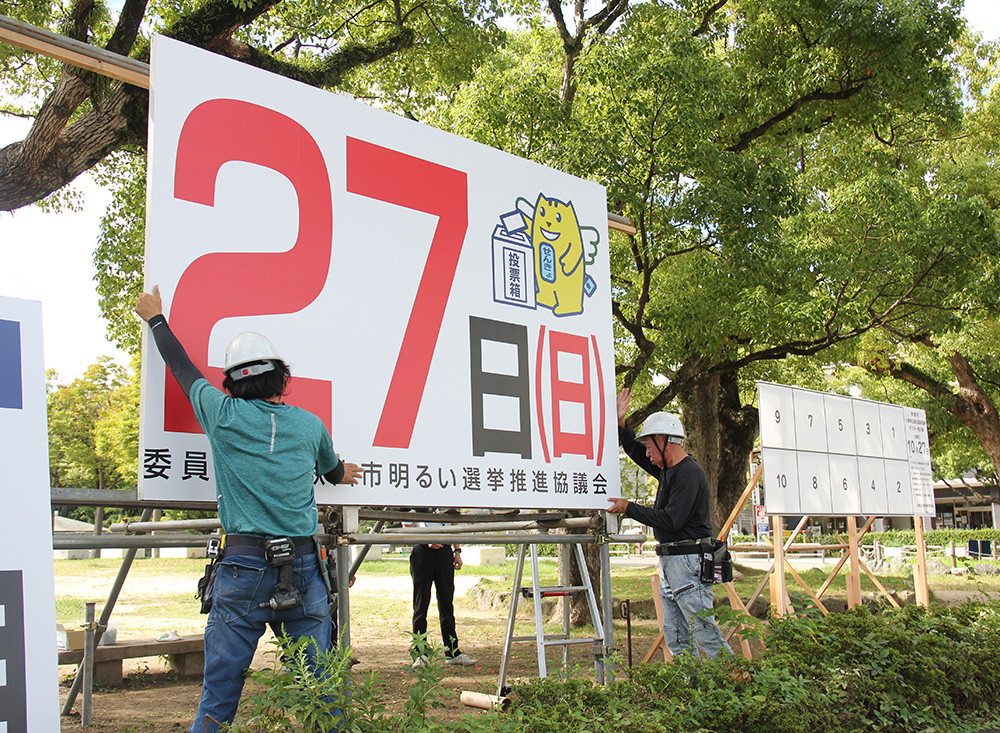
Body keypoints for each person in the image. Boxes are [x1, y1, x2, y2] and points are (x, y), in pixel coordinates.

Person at [135, 286, 362, 733]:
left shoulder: (222, 414)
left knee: (219, 698)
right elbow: (333, 473)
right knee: (321, 692)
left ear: (234, 384)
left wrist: (156, 318)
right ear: (281, 379)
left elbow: (181, 367)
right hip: (301, 566)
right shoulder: (310, 425)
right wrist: (344, 472)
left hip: (241, 568)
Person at [607, 387, 732, 660]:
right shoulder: (667, 468)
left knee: (704, 631)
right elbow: (633, 449)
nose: (648, 454)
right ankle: (692, 688)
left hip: (689, 561)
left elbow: (671, 520)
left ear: (666, 442)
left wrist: (629, 508)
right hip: (672, 561)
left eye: (651, 446)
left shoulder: (688, 473)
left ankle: (736, 684)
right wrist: (621, 422)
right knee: (674, 633)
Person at [405, 510, 477, 668]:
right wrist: (426, 540)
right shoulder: (414, 498)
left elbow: (454, 523)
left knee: (446, 602)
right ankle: (420, 652)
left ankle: (452, 651)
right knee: (420, 603)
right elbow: (406, 524)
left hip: (444, 550)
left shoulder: (446, 498)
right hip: (422, 551)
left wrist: (457, 551)